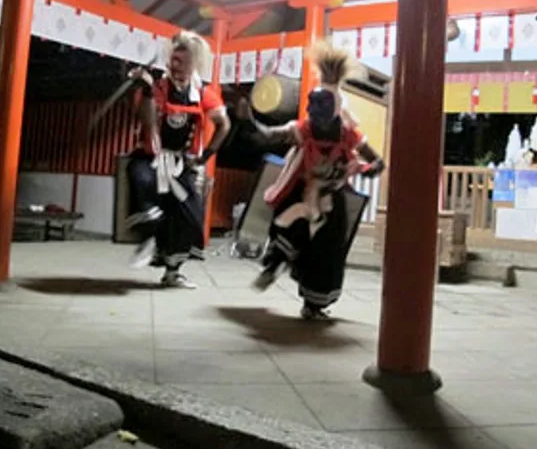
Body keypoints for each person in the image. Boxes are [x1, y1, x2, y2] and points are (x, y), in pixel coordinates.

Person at [246, 44, 385, 319]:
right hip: (302, 190)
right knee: (291, 226)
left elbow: (378, 161)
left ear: (334, 109)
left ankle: (314, 304)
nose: (315, 112)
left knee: (328, 252)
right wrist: (250, 121)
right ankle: (273, 264)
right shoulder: (303, 129)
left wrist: (370, 168)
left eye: (322, 106)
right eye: (313, 105)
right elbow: (270, 135)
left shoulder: (349, 134)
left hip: (333, 196)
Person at [126, 31, 231, 289]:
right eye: (173, 60)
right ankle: (149, 238)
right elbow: (147, 121)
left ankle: (173, 271)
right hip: (150, 157)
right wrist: (148, 90)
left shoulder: (203, 93)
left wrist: (206, 156)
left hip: (182, 163)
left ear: (193, 63)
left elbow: (224, 124)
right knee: (141, 181)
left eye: (181, 62)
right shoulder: (158, 88)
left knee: (188, 217)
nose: (175, 66)